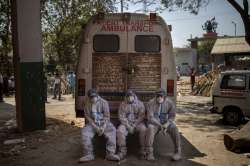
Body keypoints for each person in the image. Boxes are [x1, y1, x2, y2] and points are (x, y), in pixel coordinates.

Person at [79, 89, 120, 162]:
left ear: (97, 95)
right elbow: (88, 118)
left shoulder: (104, 102)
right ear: (89, 97)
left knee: (112, 130)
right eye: (91, 97)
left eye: (94, 96)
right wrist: (96, 128)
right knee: (84, 132)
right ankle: (88, 154)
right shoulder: (87, 104)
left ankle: (110, 154)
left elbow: (107, 117)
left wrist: (103, 127)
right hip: (93, 124)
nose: (93, 98)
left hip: (103, 123)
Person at [145, 88, 181, 161]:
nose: (159, 98)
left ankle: (178, 152)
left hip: (165, 122)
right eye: (158, 96)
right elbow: (150, 117)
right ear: (155, 96)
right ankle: (149, 153)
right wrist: (160, 125)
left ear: (165, 97)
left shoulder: (170, 103)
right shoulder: (150, 103)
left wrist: (167, 124)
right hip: (155, 123)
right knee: (150, 128)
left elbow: (172, 116)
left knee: (174, 128)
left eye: (161, 96)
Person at [117, 90, 146, 160]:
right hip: (126, 124)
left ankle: (143, 151)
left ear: (134, 96)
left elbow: (141, 116)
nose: (130, 98)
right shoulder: (122, 104)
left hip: (137, 123)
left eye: (131, 96)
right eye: (128, 96)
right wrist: (128, 126)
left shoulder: (140, 104)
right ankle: (122, 152)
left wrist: (134, 125)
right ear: (126, 97)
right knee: (120, 131)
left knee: (144, 129)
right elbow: (121, 117)